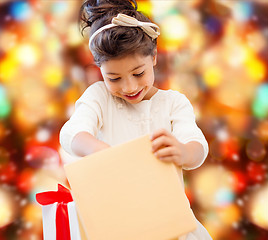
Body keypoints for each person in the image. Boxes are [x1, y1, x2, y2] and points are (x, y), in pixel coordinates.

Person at [60, 0, 212, 239]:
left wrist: (183, 152)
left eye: (138, 73)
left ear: (153, 57)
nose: (129, 87)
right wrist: (105, 153)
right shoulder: (99, 98)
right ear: (100, 70)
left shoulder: (173, 103)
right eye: (114, 78)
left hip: (170, 225)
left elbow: (197, 147)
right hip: (118, 225)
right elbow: (71, 134)